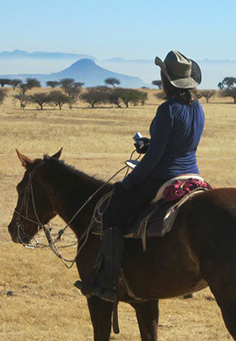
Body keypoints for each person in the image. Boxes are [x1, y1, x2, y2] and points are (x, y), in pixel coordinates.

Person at [87, 50, 205, 303]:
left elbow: (153, 161)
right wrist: (152, 144)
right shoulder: (197, 108)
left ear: (165, 79)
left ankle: (108, 282)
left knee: (112, 213)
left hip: (163, 177)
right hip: (192, 175)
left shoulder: (167, 110)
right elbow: (179, 144)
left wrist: (126, 183)